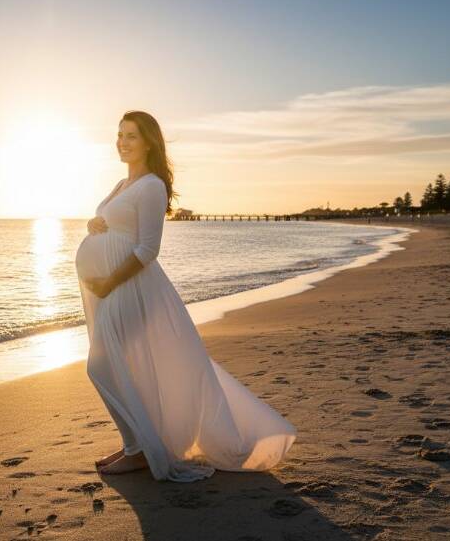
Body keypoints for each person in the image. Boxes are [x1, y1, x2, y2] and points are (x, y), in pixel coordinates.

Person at [75, 110, 297, 481]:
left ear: (149, 142)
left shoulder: (151, 186)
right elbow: (110, 224)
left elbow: (147, 250)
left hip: (129, 288)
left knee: (102, 366)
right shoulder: (121, 184)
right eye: (119, 134)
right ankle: (138, 445)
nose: (122, 142)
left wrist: (109, 281)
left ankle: (141, 450)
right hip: (108, 289)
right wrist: (93, 224)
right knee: (122, 367)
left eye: (131, 135)